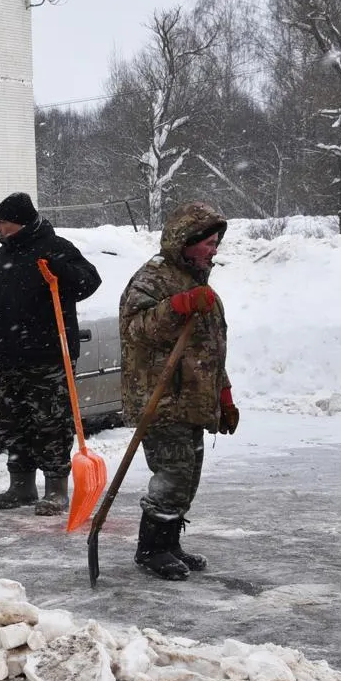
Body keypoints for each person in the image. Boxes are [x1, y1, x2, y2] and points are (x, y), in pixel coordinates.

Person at [117, 201, 237, 579]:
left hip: (191, 398)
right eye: (208, 243)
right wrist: (177, 307)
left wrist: (223, 393)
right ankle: (151, 549)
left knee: (187, 474)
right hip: (161, 397)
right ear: (186, 241)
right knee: (173, 473)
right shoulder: (153, 279)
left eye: (216, 243)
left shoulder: (196, 280)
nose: (214, 250)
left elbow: (208, 349)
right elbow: (135, 330)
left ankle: (169, 543)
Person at [0, 192, 101, 514]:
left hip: (48, 358)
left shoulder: (54, 249)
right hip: (10, 359)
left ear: (21, 223)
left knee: (51, 424)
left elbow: (89, 282)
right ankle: (21, 486)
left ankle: (56, 489)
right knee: (14, 424)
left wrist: (61, 271)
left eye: (2, 221)